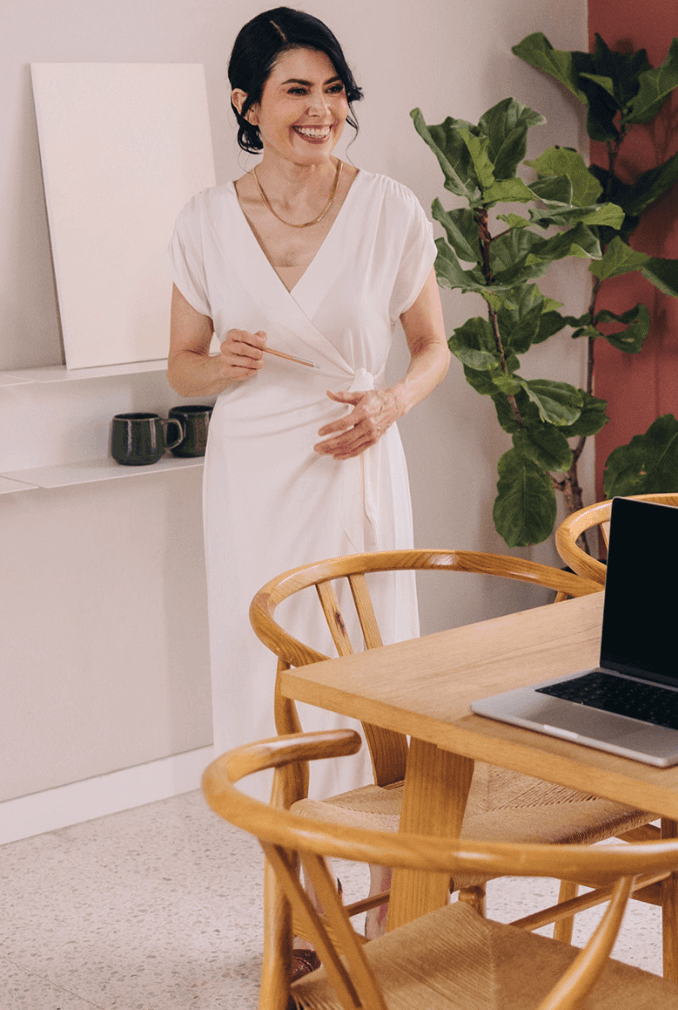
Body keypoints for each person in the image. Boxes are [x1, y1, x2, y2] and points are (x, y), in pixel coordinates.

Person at [167, 10, 449, 798]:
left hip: (355, 458)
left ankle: (395, 871)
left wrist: (390, 403)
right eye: (296, 90)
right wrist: (221, 364)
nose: (321, 109)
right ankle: (290, 863)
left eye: (333, 89)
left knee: (374, 658)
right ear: (246, 105)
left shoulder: (390, 209)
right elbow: (181, 370)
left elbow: (434, 349)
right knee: (265, 659)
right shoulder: (205, 222)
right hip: (250, 478)